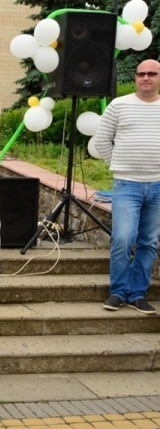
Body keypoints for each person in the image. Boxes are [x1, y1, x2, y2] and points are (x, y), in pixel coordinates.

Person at [95, 59, 160, 314]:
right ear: (135, 77)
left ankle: (137, 294)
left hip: (158, 186)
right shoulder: (119, 105)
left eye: (152, 74)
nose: (146, 78)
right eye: (141, 74)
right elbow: (102, 140)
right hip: (126, 185)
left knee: (149, 242)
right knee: (122, 238)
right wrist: (119, 164)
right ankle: (119, 292)